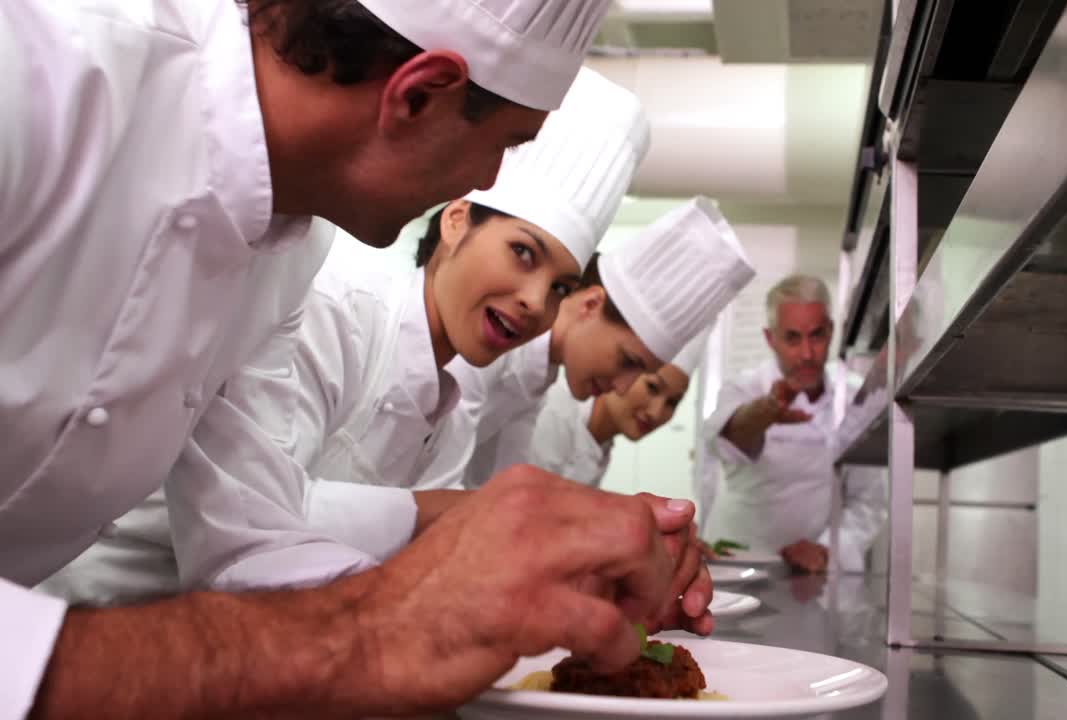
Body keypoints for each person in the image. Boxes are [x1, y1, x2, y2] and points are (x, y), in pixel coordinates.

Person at [0, 0, 697, 716]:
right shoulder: (43, 68)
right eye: (505, 146)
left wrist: (484, 590)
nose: (487, 181)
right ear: (418, 93)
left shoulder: (292, 247)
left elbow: (252, 534)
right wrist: (389, 611)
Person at [37, 67, 653, 604]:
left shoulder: (454, 414)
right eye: (523, 254)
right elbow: (252, 519)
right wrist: (440, 515)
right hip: (101, 617)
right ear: (458, 221)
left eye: (558, 288)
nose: (534, 300)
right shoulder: (334, 305)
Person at [441, 197, 757, 492]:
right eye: (628, 362)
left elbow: (498, 496)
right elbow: (437, 489)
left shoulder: (538, 377)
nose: (620, 388)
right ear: (590, 304)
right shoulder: (491, 344)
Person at [699, 275, 887, 574]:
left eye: (816, 335)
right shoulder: (745, 388)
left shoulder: (854, 398)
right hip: (735, 562)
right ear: (770, 338)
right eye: (792, 338)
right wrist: (767, 410)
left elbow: (868, 500)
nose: (807, 354)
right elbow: (730, 439)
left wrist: (827, 550)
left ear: (831, 331)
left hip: (810, 571)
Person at [529, 330, 710, 488]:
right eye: (652, 387)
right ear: (625, 369)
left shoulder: (602, 443)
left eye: (672, 402)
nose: (656, 412)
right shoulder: (554, 414)